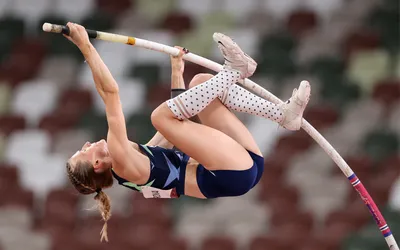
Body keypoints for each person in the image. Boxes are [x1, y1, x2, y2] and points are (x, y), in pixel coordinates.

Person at [63, 22, 311, 242]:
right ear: (96, 163)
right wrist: (85, 46)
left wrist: (176, 73)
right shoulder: (120, 160)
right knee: (159, 116)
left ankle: (283, 116)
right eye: (83, 152)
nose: (86, 143)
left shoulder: (131, 166)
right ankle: (235, 70)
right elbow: (110, 93)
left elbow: (172, 133)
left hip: (238, 167)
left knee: (201, 83)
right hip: (226, 174)